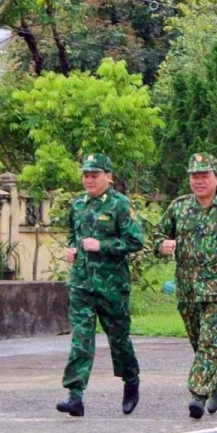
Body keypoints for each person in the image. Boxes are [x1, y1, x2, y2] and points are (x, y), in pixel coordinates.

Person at [56, 152, 145, 418]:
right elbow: (73, 234)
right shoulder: (78, 205)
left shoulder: (120, 205)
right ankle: (75, 395)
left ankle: (130, 379)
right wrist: (70, 249)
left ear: (108, 176)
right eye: (86, 175)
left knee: (118, 340)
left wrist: (103, 246)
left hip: (112, 287)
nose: (89, 180)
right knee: (81, 340)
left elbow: (135, 241)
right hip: (82, 284)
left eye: (94, 175)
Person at [155, 153, 217, 419]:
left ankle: (197, 395)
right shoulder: (179, 208)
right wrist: (162, 245)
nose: (199, 181)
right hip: (188, 289)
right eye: (194, 176)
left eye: (204, 176)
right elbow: (158, 235)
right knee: (199, 341)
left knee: (208, 340)